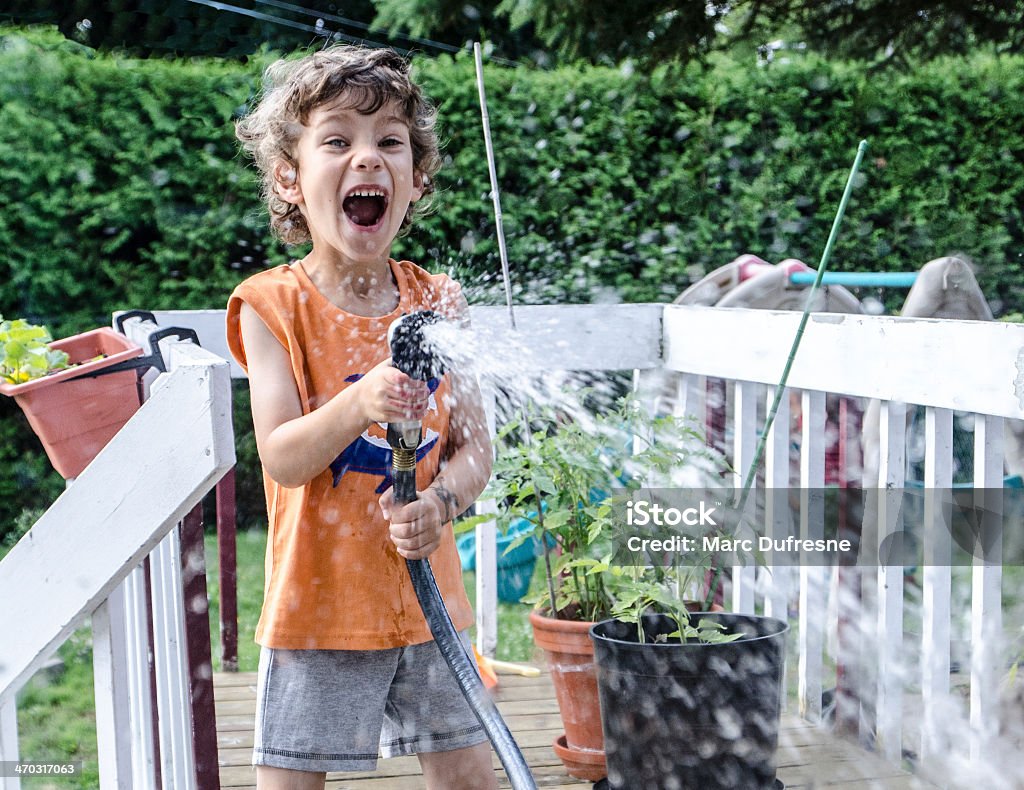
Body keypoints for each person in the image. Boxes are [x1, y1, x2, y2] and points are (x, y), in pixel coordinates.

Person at [226, 45, 496, 790]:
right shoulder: (271, 306)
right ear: (289, 175)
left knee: (474, 778)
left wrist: (441, 503)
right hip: (318, 608)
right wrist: (359, 401)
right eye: (337, 139)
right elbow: (282, 457)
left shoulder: (438, 300)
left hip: (428, 601)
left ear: (417, 178)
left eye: (390, 142)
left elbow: (477, 448)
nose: (367, 158)